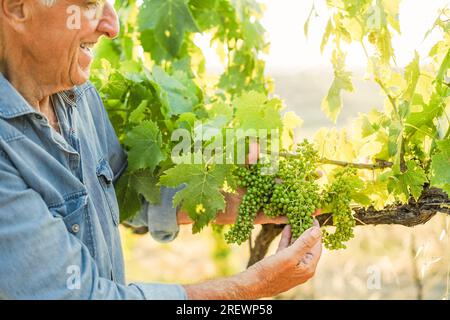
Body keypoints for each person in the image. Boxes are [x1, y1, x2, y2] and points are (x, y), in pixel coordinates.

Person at [0, 0, 322, 299]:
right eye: (89, 4)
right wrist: (252, 287)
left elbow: (127, 191)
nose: (113, 26)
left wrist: (229, 203)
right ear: (17, 8)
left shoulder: (79, 96)